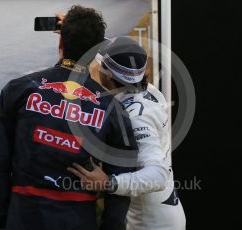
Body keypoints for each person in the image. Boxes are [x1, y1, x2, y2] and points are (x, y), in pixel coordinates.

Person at [0, 6, 138, 230]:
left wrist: (4, 216)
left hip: (23, 216)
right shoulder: (113, 109)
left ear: (61, 43)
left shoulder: (18, 89)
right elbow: (122, 186)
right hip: (77, 219)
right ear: (95, 52)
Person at [67, 37, 186, 230]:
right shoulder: (150, 92)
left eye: (101, 65)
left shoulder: (136, 117)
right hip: (164, 213)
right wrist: (77, 30)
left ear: (109, 74)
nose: (97, 68)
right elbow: (126, 52)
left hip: (152, 225)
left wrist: (109, 183)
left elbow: (158, 175)